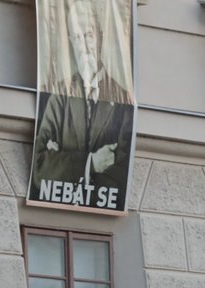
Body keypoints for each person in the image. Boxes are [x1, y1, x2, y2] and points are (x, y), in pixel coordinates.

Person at [29, 0, 133, 212]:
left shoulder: (123, 100)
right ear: (70, 42)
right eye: (77, 38)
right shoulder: (59, 97)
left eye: (88, 36)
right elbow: (39, 167)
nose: (83, 46)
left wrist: (62, 162)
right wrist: (91, 163)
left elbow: (121, 171)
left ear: (101, 38)